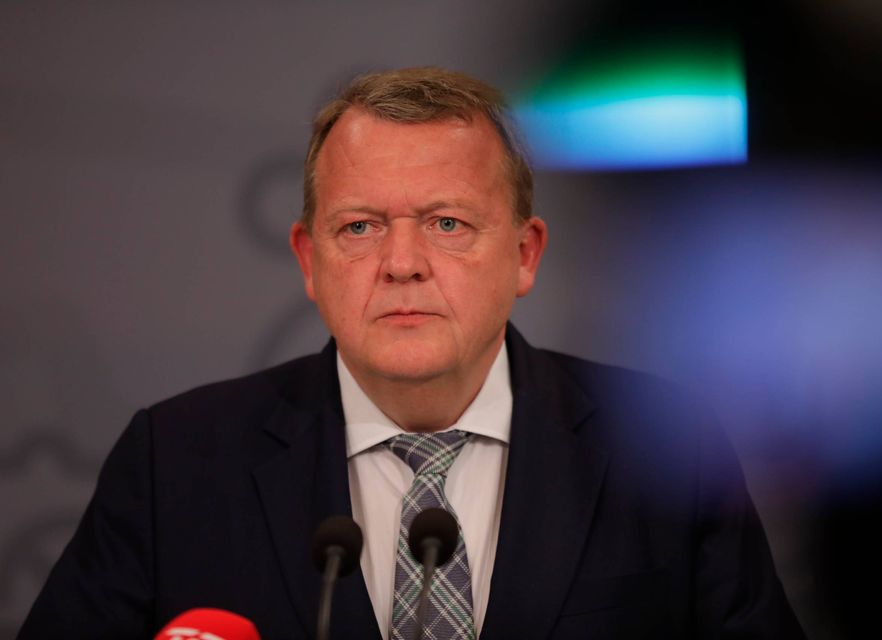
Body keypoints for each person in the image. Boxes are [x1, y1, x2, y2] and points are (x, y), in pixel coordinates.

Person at [19, 67, 805, 639]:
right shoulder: (175, 462)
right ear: (308, 260)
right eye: (359, 227)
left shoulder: (665, 447)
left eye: (447, 223)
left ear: (525, 254)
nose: (401, 263)